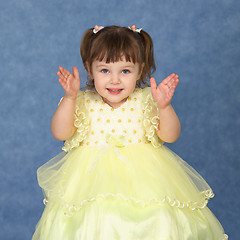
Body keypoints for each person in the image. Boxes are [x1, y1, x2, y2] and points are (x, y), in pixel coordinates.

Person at [32, 25, 228, 239]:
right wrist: (69, 98)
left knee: (158, 216)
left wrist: (164, 107)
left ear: (140, 70)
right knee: (94, 219)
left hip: (145, 181)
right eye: (104, 70)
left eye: (125, 71)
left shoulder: (147, 99)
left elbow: (170, 136)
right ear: (90, 69)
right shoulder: (81, 101)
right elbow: (60, 133)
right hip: (89, 182)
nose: (114, 80)